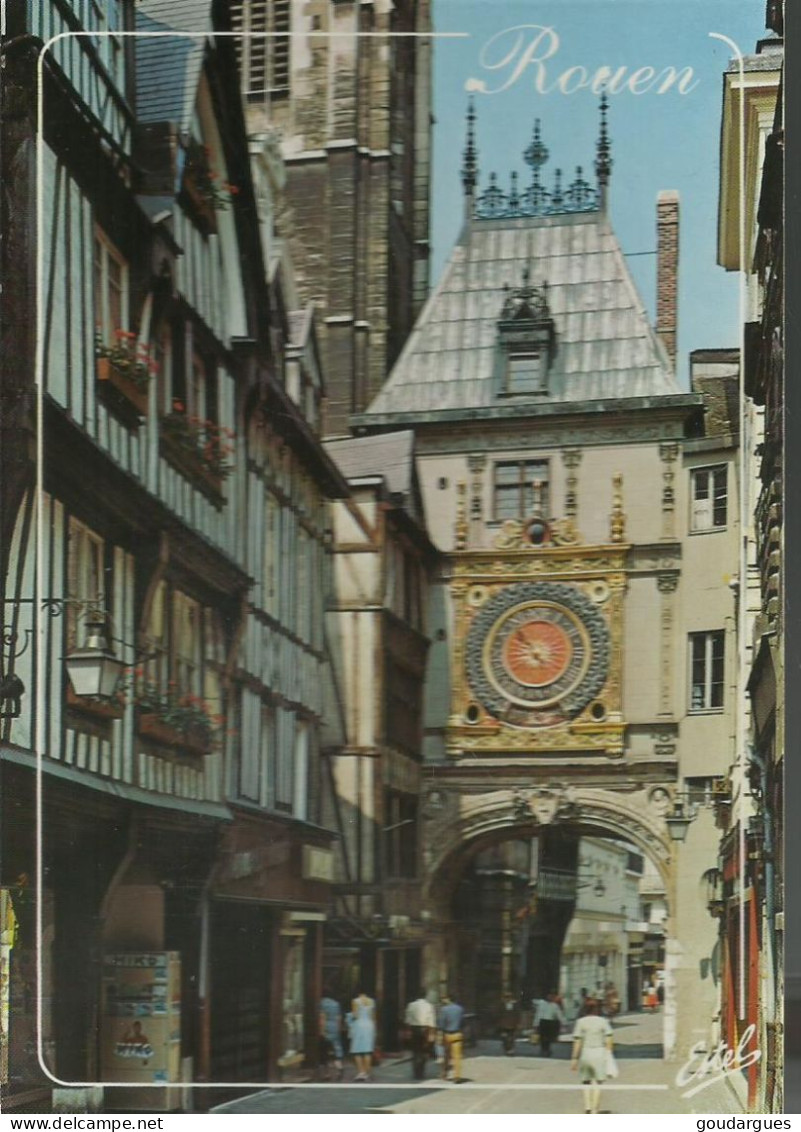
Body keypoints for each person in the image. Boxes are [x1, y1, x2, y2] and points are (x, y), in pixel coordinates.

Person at [571, 998, 614, 1114]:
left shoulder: (580, 1022)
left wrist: (574, 1058)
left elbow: (577, 1041)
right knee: (598, 1082)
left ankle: (587, 1107)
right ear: (597, 1009)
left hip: (586, 1053)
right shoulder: (603, 1021)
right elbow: (609, 1038)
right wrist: (608, 1053)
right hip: (599, 1052)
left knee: (585, 1081)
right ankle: (595, 1109)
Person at [404, 989, 436, 1081]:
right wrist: (432, 1033)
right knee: (424, 1051)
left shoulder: (411, 1005)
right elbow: (431, 1020)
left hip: (414, 1029)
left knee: (415, 1051)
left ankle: (416, 1072)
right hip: (425, 1029)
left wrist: (407, 1031)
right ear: (425, 995)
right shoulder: (429, 1006)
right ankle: (421, 1071)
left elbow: (408, 1020)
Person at [349, 988, 377, 1081]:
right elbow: (373, 1016)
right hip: (369, 1025)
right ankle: (367, 1072)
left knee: (357, 1050)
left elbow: (355, 1015)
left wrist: (350, 1016)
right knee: (367, 1050)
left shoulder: (355, 1001)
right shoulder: (371, 1001)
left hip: (359, 1025)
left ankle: (361, 1072)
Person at [437, 991, 465, 1083]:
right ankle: (457, 1076)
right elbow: (462, 1022)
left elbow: (441, 1023)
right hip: (457, 1034)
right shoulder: (460, 1009)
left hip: (447, 1034)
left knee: (446, 1056)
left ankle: (444, 1074)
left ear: (448, 999)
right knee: (457, 1056)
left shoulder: (444, 1009)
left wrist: (440, 1031)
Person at [319, 988, 344, 1081]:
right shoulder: (336, 1004)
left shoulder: (322, 1003)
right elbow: (339, 1018)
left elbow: (322, 1017)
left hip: (326, 1027)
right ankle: (339, 1067)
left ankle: (327, 1074)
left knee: (324, 1050)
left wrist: (321, 1030)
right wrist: (338, 1029)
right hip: (335, 1027)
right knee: (336, 1048)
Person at [534, 991, 565, 1056]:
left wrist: (563, 1022)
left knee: (549, 1038)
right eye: (549, 996)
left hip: (551, 1023)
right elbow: (538, 1014)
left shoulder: (555, 1005)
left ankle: (547, 1049)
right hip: (543, 1022)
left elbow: (559, 1014)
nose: (550, 997)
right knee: (543, 1037)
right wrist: (535, 1024)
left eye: (551, 996)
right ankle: (543, 1049)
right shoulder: (542, 1004)